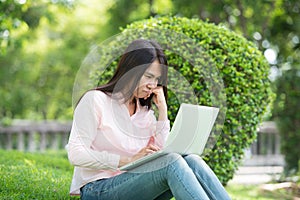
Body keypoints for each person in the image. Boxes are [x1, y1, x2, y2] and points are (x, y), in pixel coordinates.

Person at [66, 39, 231, 200]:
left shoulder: (144, 112)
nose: (153, 85)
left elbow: (165, 151)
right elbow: (76, 153)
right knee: (171, 162)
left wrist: (162, 112)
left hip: (135, 183)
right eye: (148, 76)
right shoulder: (95, 100)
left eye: (157, 79)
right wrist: (127, 160)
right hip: (97, 189)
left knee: (191, 160)